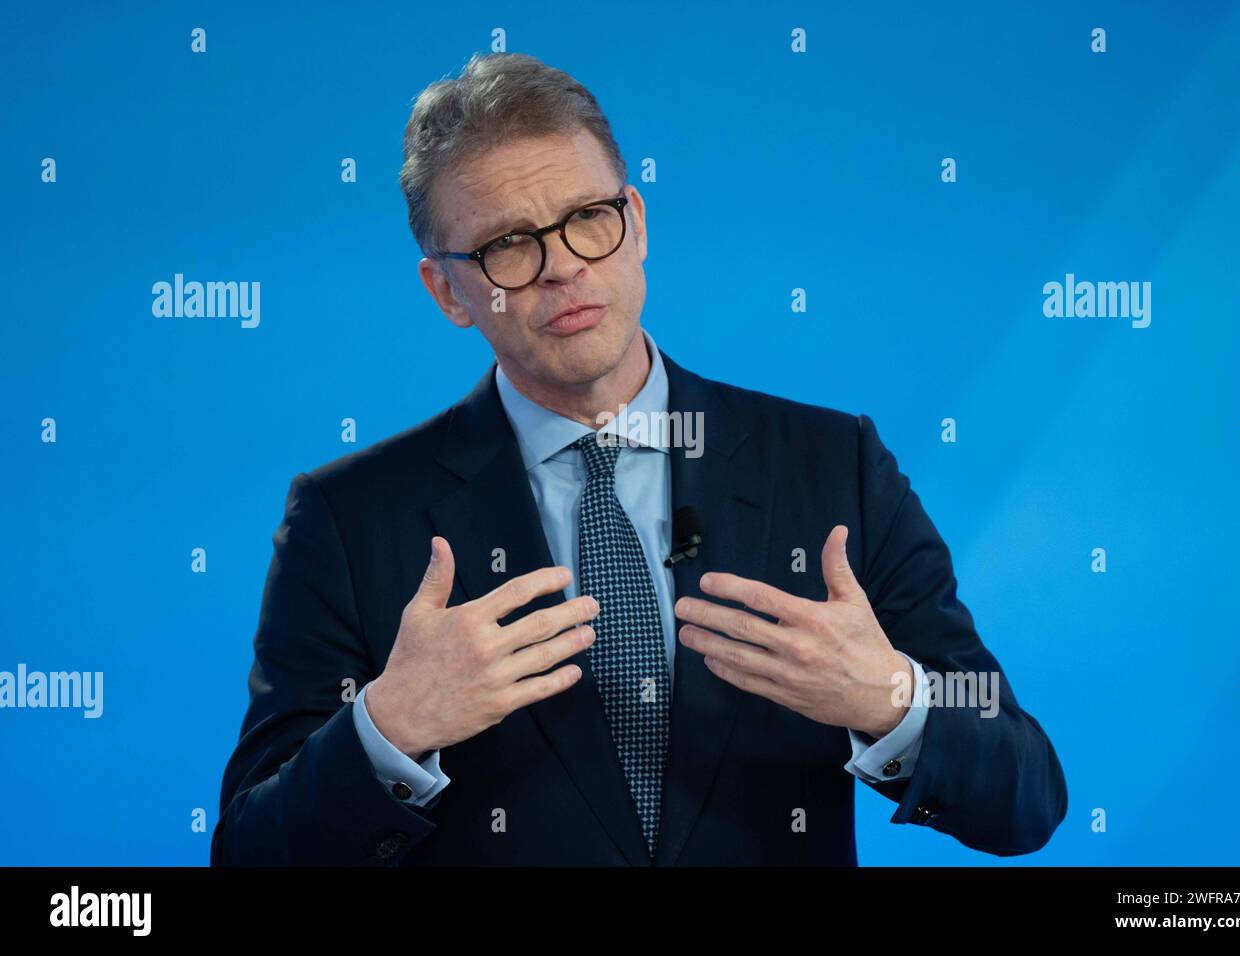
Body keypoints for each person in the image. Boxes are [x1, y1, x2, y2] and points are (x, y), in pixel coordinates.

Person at [211, 51, 1067, 866]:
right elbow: (251, 852)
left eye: (588, 218)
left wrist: (889, 698)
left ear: (637, 223)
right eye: (509, 243)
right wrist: (389, 729)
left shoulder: (832, 464)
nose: (562, 269)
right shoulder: (349, 517)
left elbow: (1026, 798)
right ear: (448, 292)